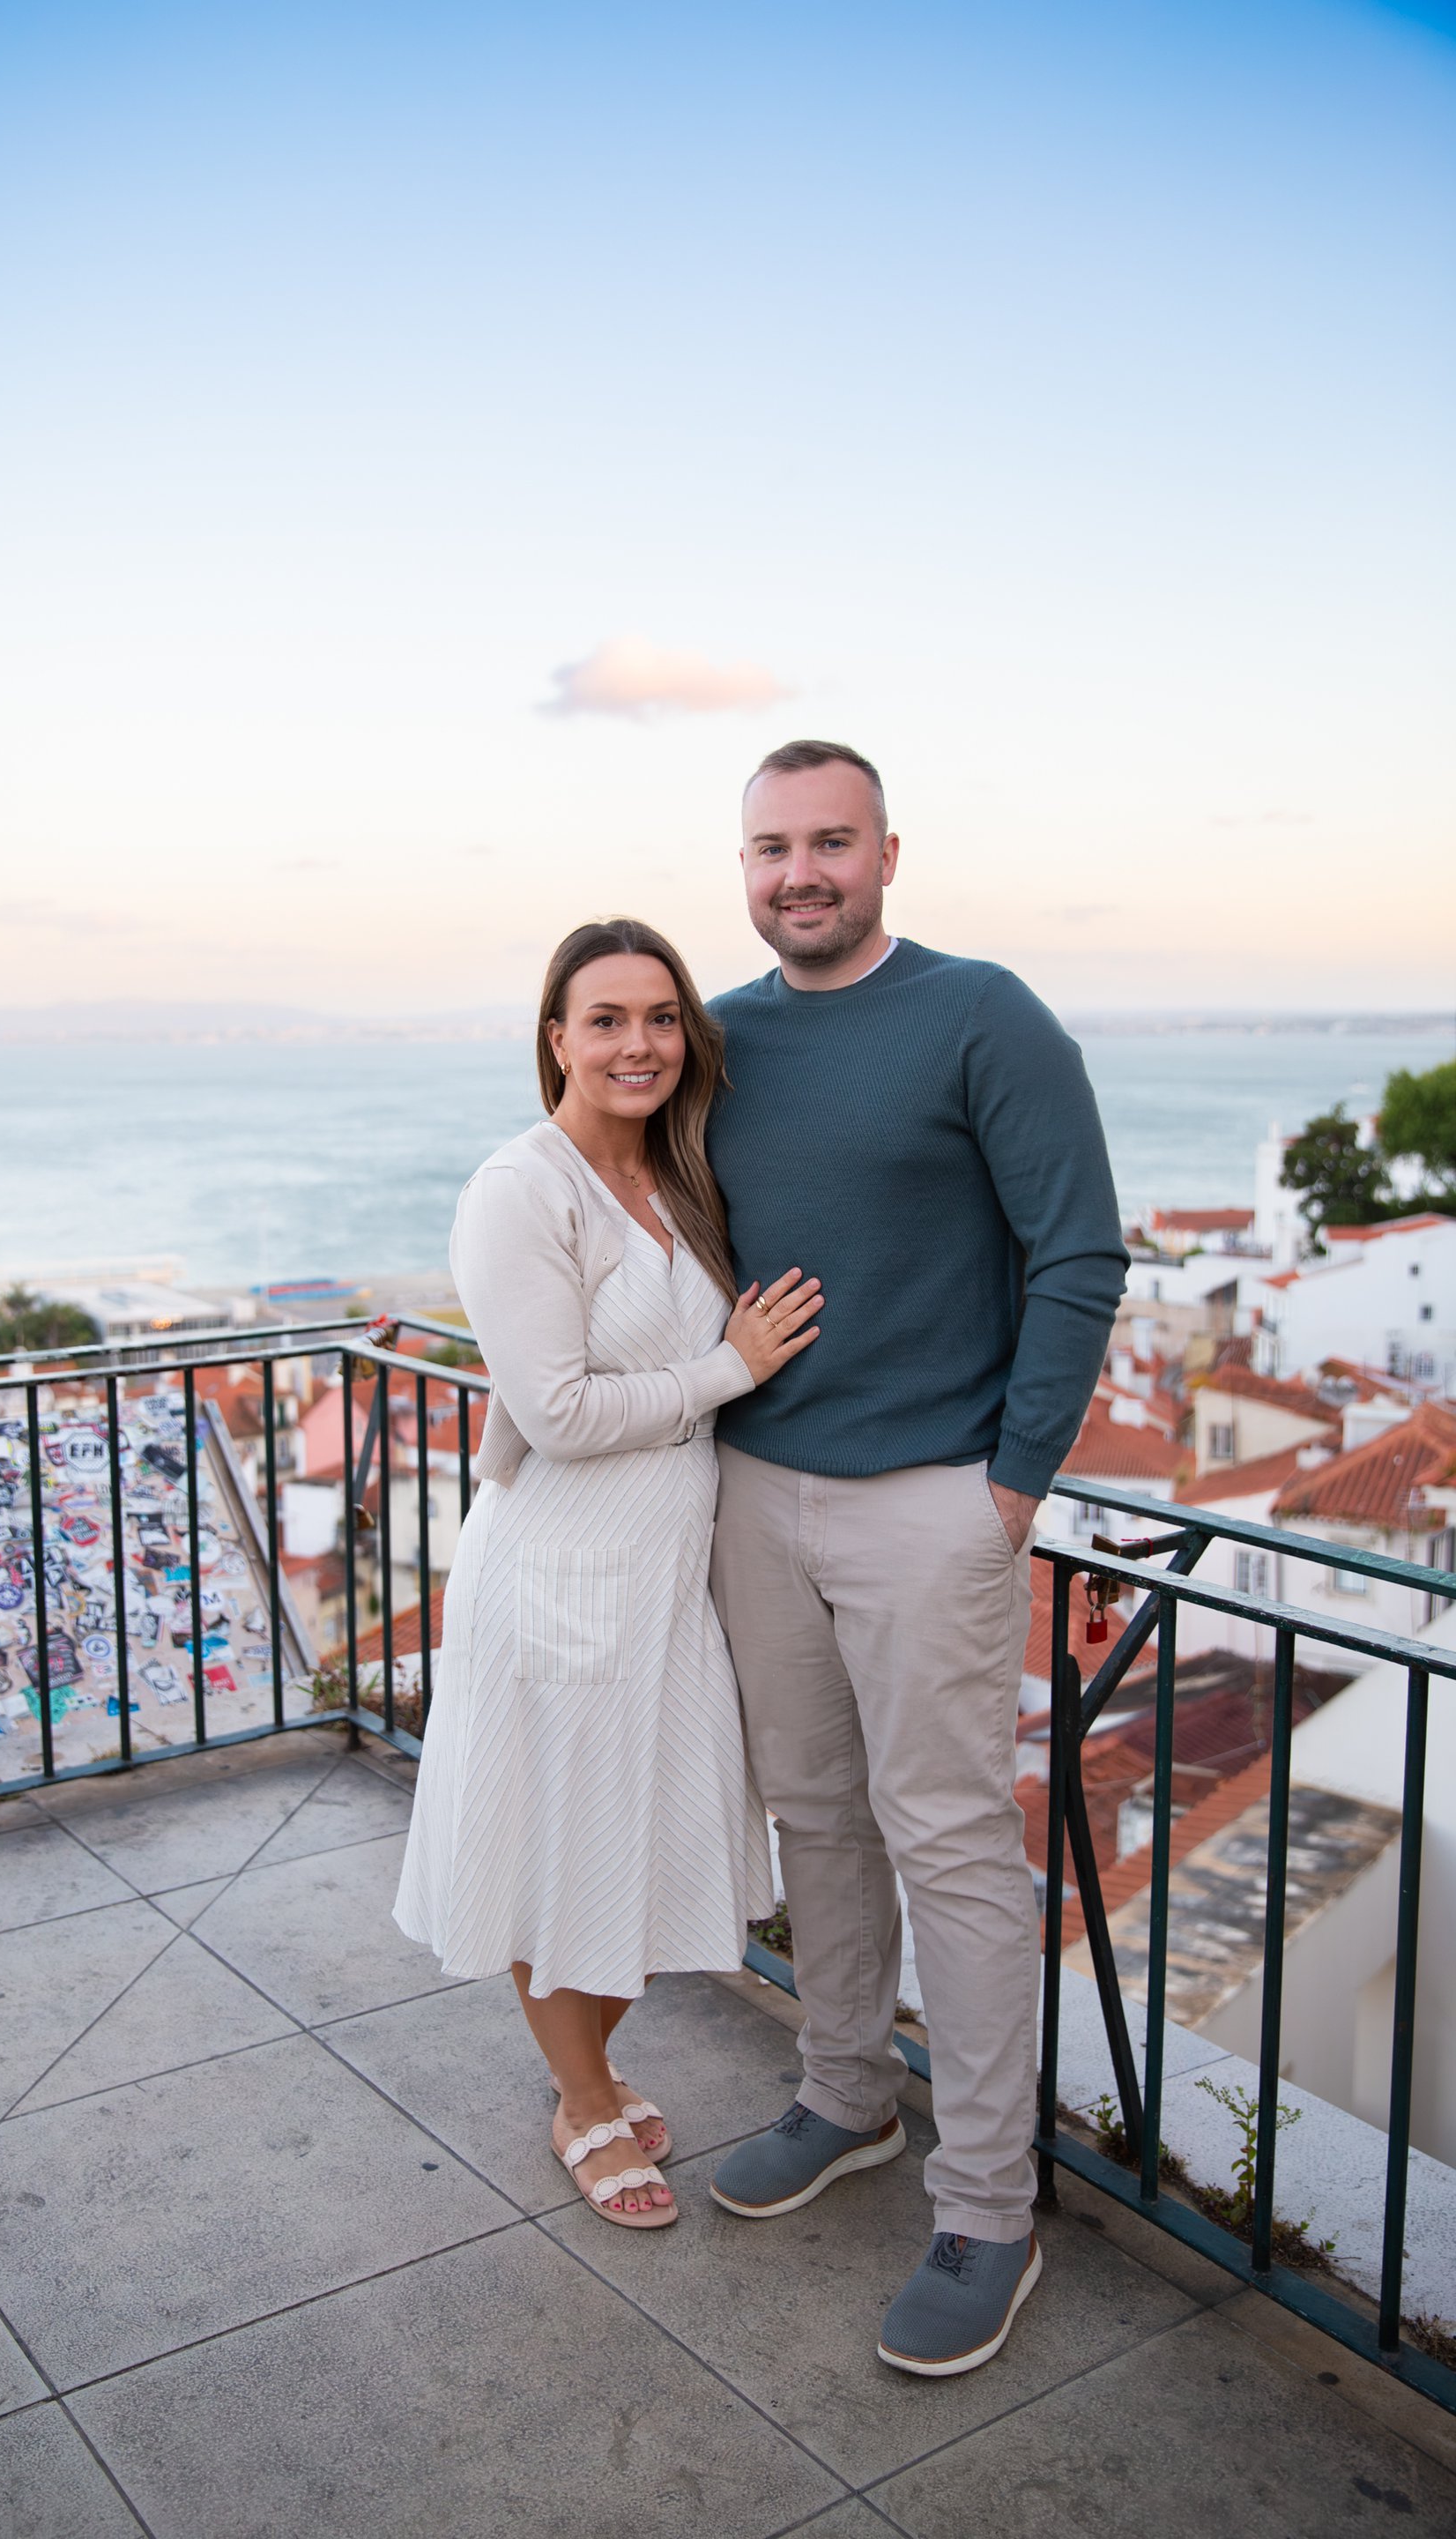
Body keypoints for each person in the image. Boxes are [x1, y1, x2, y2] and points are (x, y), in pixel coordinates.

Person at [704, 739, 1128, 2373]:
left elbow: (1079, 1252)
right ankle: (846, 2093)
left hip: (932, 1501)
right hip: (757, 1488)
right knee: (814, 1813)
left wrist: (1009, 1488)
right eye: (772, 847)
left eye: (831, 842)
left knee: (948, 1845)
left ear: (888, 855)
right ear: (744, 868)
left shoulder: (983, 1015)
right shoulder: (718, 1040)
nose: (799, 872)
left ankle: (989, 2207)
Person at [394, 918, 815, 2228]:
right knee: (558, 1845)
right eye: (607, 1019)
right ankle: (582, 2100)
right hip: (562, 1572)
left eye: (661, 1017)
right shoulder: (521, 1190)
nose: (639, 1043)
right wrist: (732, 1369)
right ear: (557, 1039)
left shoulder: (680, 1172)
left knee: (649, 1839)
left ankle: (593, 2065)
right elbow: (561, 1413)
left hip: (668, 1575)